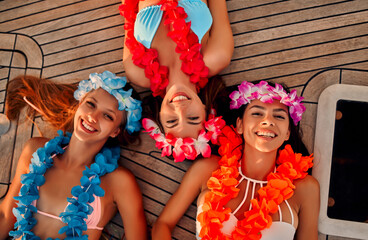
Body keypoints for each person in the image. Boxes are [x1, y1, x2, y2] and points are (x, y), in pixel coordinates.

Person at [152, 80, 320, 240]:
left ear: (287, 133)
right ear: (239, 125)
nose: (268, 121)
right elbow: (163, 224)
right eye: (257, 113)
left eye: (279, 116)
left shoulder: (305, 188)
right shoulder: (208, 169)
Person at [0, 71, 147, 240]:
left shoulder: (119, 181)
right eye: (91, 104)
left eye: (107, 116)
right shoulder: (37, 150)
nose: (92, 116)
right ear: (80, 103)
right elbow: (5, 216)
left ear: (115, 131)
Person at [120, 0, 234, 161]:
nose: (180, 110)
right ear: (207, 111)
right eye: (193, 118)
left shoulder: (137, 72)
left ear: (159, 117)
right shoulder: (217, 57)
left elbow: (128, 11)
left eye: (172, 121)